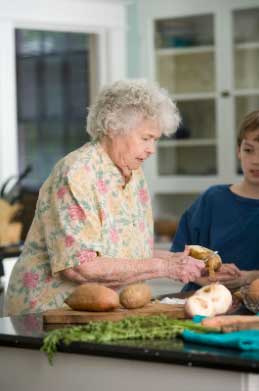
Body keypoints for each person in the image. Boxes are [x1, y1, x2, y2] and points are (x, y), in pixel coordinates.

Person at [5, 79, 205, 316]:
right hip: (48, 313)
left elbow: (128, 254)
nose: (152, 149)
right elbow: (80, 267)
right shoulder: (77, 173)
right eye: (146, 138)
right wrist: (165, 266)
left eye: (156, 139)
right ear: (114, 128)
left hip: (103, 310)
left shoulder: (133, 173)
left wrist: (181, 260)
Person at [171, 109, 259, 292]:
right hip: (202, 302)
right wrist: (204, 277)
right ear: (238, 151)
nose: (256, 160)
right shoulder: (213, 199)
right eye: (249, 150)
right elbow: (178, 256)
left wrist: (250, 277)